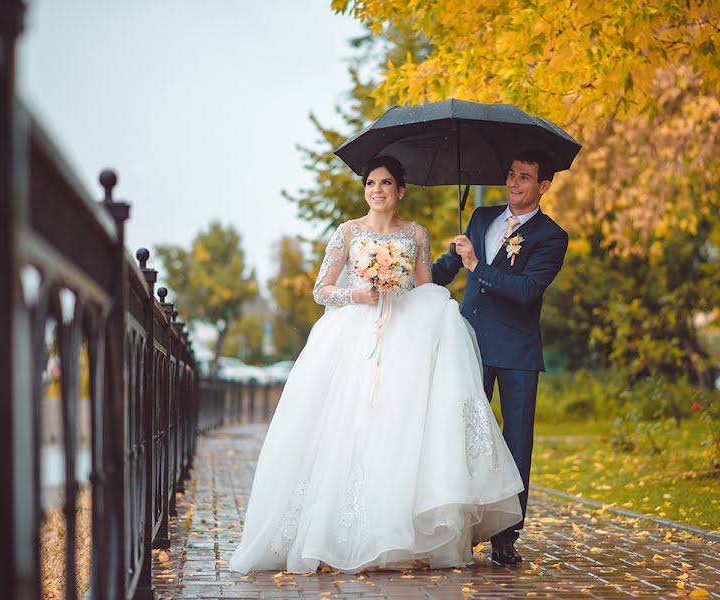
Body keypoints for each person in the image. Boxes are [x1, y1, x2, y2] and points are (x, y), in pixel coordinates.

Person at [229, 155, 523, 575]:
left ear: (400, 190)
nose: (378, 190)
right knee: (352, 424)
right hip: (355, 335)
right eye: (371, 183)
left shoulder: (415, 233)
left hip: (406, 338)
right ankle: (340, 532)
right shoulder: (348, 232)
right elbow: (321, 289)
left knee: (400, 428)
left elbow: (425, 287)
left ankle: (401, 535)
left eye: (386, 183)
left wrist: (446, 281)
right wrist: (357, 295)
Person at [431, 149, 569, 565]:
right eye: (511, 174)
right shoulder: (480, 218)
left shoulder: (551, 236)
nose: (513, 183)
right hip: (469, 344)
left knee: (516, 443)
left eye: (524, 177)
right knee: (465, 437)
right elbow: (447, 268)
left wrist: (477, 265)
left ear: (543, 186)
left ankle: (506, 534)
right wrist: (406, 275)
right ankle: (464, 523)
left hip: (517, 353)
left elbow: (527, 290)